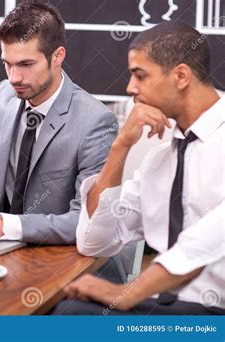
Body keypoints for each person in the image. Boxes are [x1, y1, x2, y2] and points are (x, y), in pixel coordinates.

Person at [54, 21, 224, 315]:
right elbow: (94, 242)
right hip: (164, 309)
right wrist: (120, 146)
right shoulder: (158, 159)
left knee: (71, 317)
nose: (130, 88)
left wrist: (127, 292)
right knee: (65, 311)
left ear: (181, 76)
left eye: (140, 76)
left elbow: (209, 237)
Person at [0, 1, 117, 244]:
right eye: (7, 64)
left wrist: (3, 227)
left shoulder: (95, 122)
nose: (14, 78)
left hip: (62, 259)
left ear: (58, 56)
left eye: (26, 64)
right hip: (6, 252)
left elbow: (85, 220)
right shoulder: (3, 96)